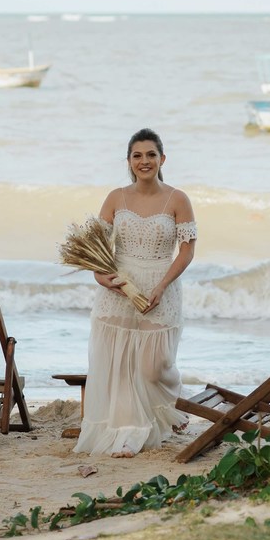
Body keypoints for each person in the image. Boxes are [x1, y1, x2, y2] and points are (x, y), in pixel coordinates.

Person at [75, 127, 197, 457]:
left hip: (161, 287)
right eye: (137, 155)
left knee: (152, 366)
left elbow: (186, 251)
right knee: (118, 364)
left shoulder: (178, 199)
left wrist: (161, 286)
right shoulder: (116, 197)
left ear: (162, 159)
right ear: (129, 161)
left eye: (151, 155)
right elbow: (96, 248)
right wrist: (102, 277)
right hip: (120, 289)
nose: (145, 161)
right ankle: (130, 432)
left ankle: (171, 403)